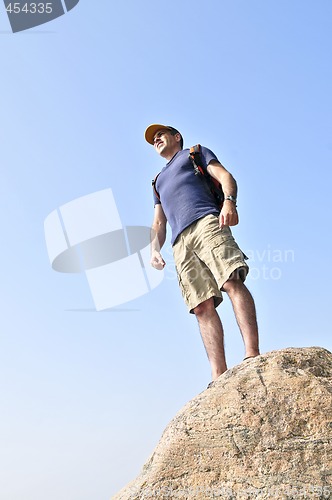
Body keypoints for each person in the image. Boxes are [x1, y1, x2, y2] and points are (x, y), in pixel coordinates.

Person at [145, 124, 260, 384]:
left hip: (207, 222)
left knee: (231, 280)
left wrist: (229, 201)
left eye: (161, 134)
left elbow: (224, 175)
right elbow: (158, 223)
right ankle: (218, 374)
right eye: (153, 139)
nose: (156, 140)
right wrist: (154, 250)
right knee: (201, 306)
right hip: (179, 243)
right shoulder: (157, 181)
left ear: (177, 137)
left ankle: (252, 353)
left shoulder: (194, 154)